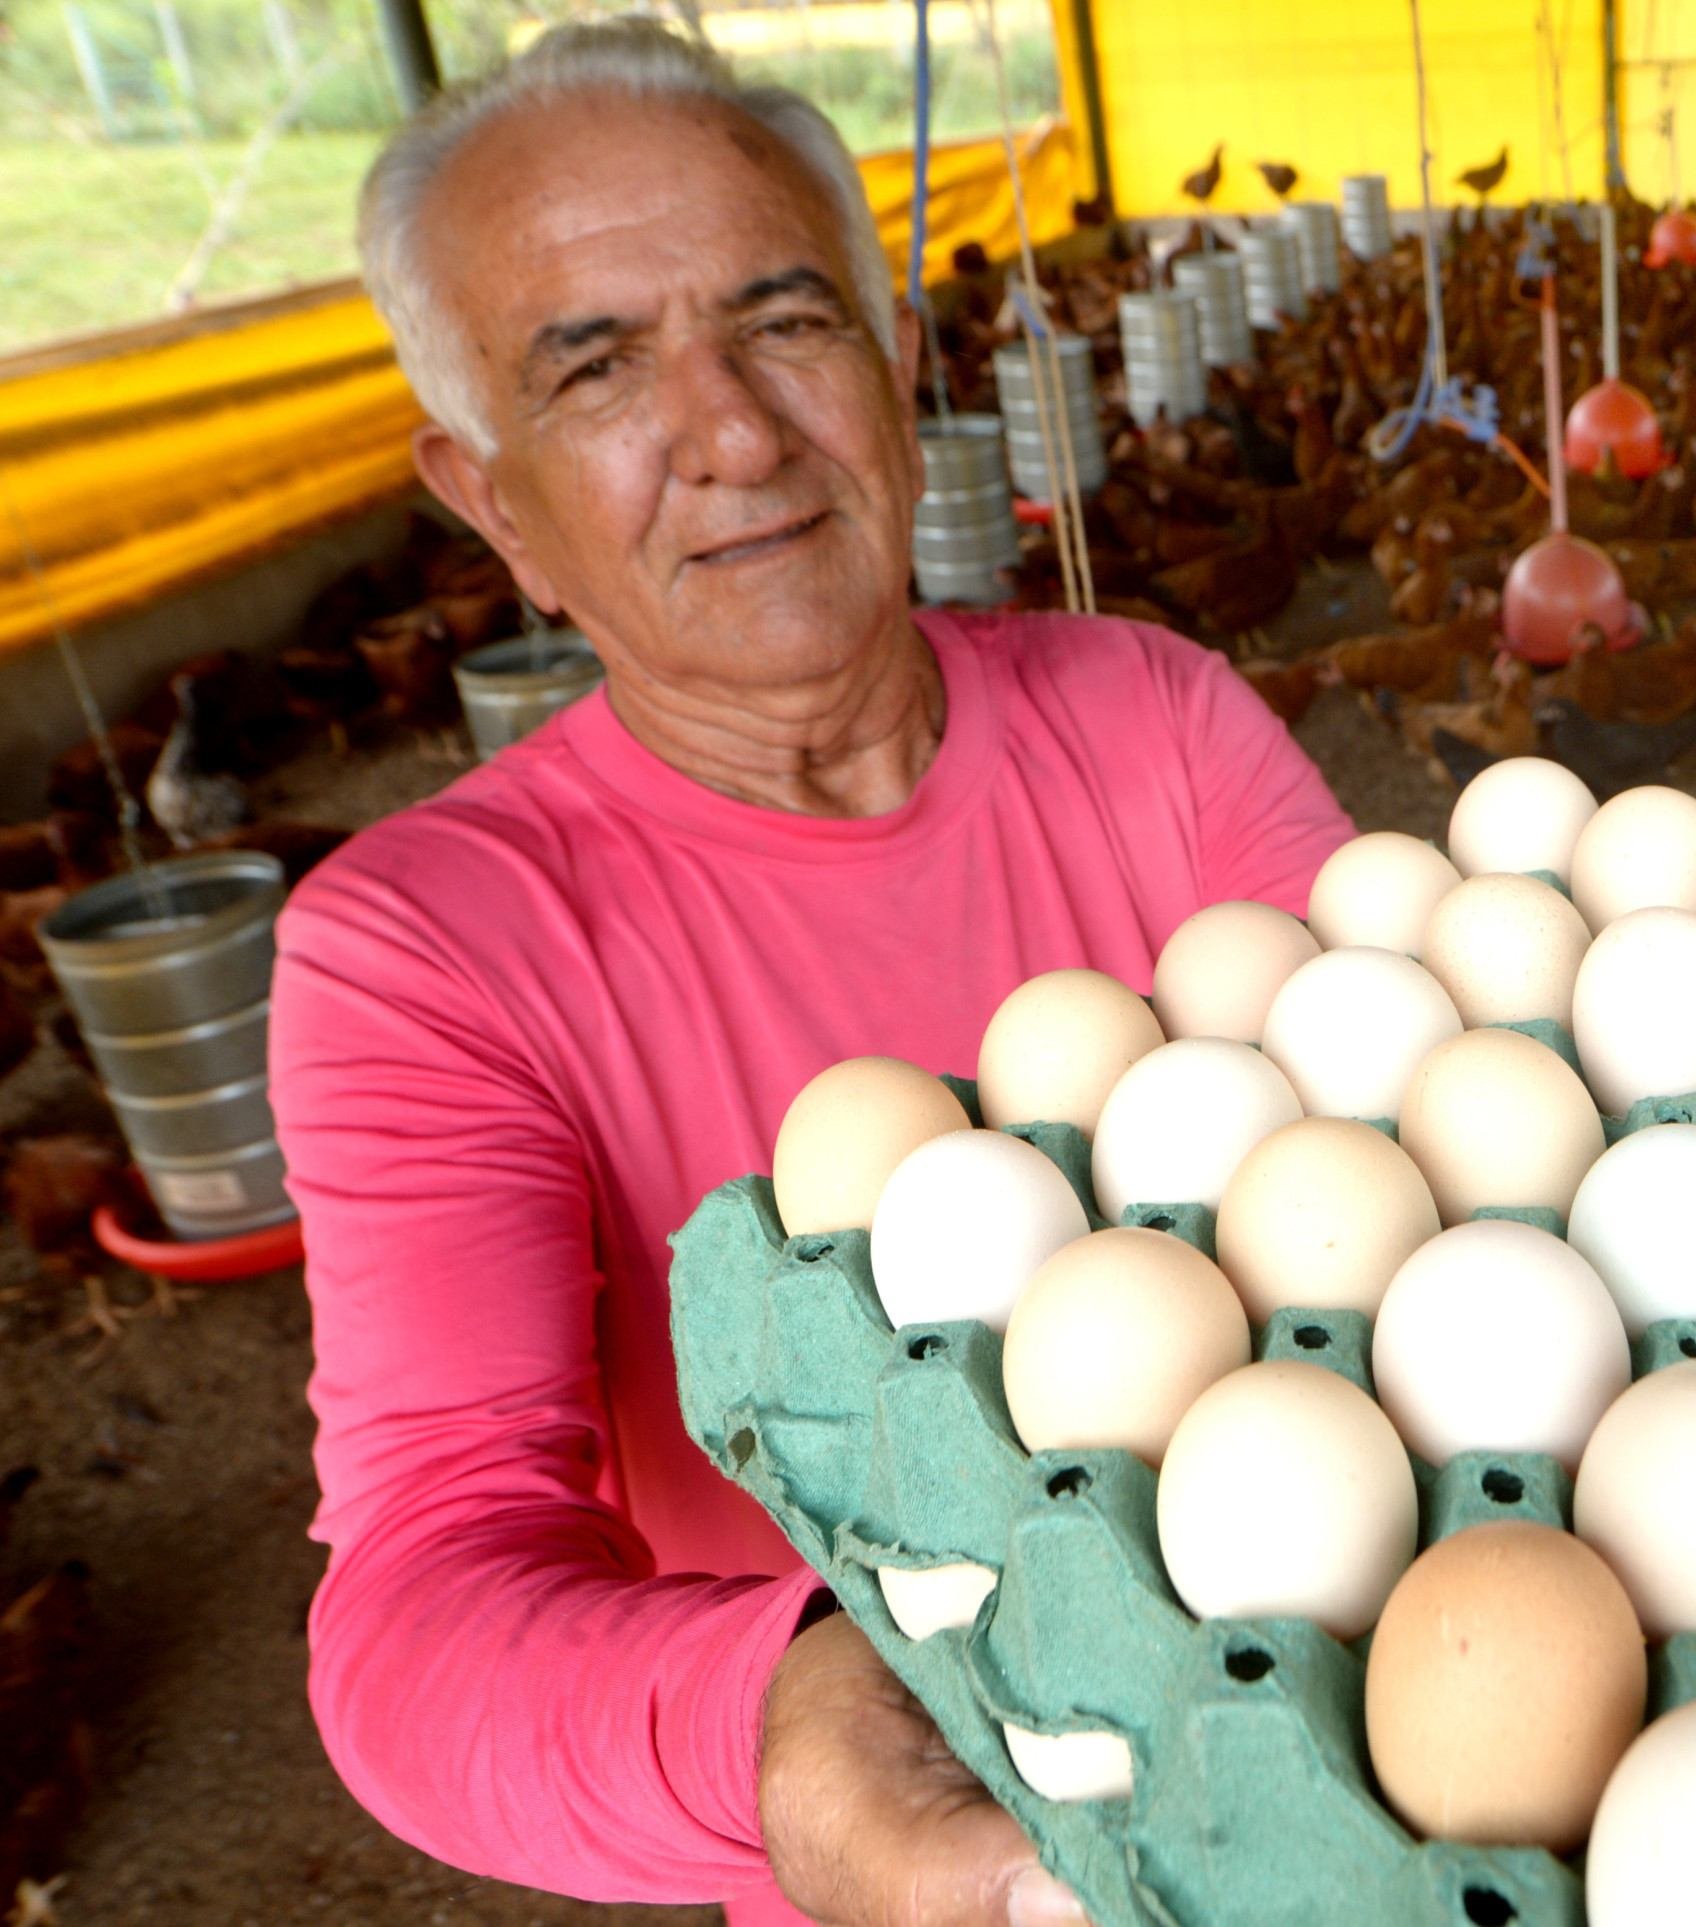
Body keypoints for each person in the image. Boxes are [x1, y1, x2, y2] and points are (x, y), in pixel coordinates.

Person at [274, 22, 1350, 1927]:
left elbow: (1417, 1149)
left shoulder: (1155, 719)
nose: (743, 433)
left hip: (1375, 1720)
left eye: (788, 324)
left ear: (891, 362)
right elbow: (422, 1606)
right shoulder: (425, 949)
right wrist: (780, 1710)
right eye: (596, 367)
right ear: (496, 501)